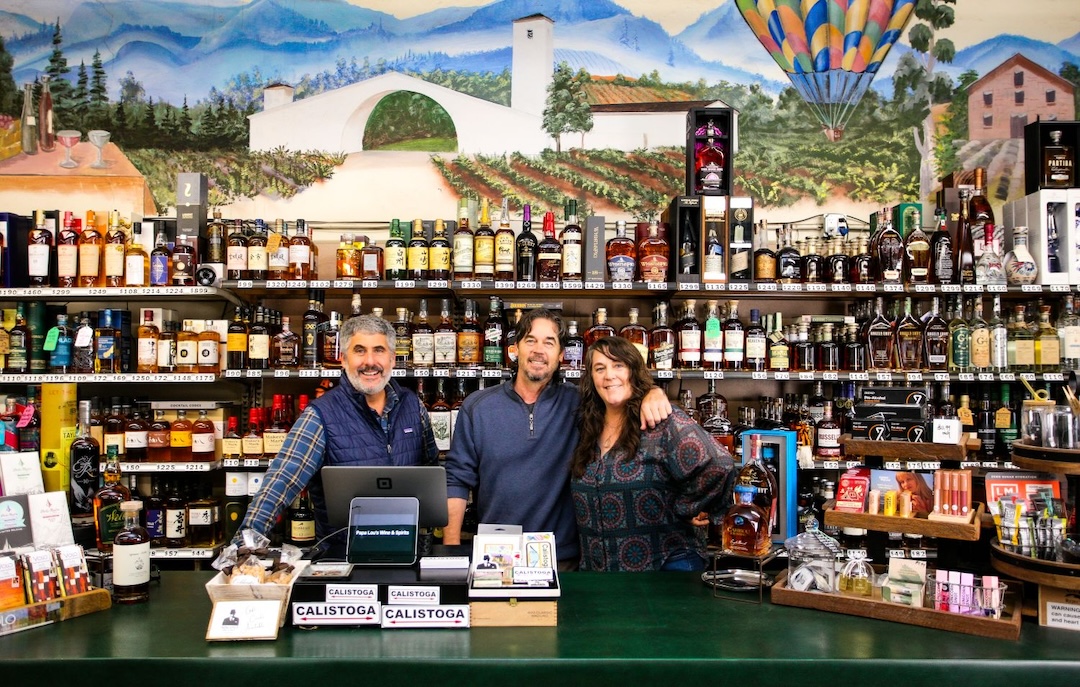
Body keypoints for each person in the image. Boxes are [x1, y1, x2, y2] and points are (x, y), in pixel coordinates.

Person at [443, 308, 672, 568]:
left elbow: (619, 390)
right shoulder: (478, 407)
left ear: (561, 355)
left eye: (549, 342)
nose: (539, 350)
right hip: (497, 555)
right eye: (530, 340)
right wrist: (451, 549)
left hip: (562, 556)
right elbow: (457, 478)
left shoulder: (581, 403)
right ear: (514, 349)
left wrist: (652, 392)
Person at [235, 315, 438, 546]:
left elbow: (433, 476)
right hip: (343, 558)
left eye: (379, 350)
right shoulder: (321, 414)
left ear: (392, 358)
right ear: (343, 359)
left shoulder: (413, 406)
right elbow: (281, 480)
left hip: (407, 549)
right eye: (359, 350)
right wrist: (244, 545)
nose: (370, 361)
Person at [571, 336, 735, 572]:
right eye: (600, 368)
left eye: (618, 365)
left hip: (666, 567)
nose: (609, 375)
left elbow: (719, 463)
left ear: (634, 371)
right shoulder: (586, 428)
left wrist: (687, 507)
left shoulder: (660, 419)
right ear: (591, 378)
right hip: (603, 574)